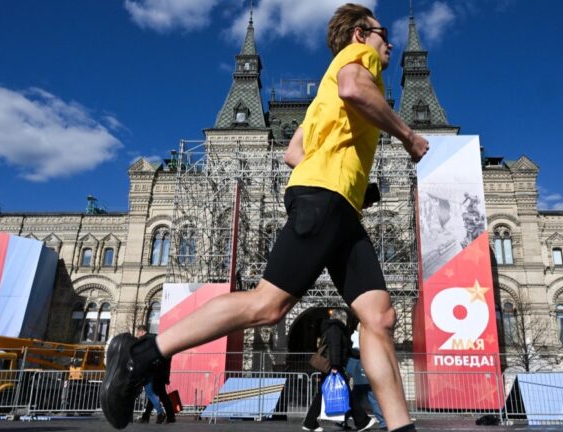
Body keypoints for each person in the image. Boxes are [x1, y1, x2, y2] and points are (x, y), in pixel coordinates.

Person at [100, 4, 428, 431]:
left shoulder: (317, 104)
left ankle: (403, 427)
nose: (389, 43)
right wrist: (407, 135)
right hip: (325, 200)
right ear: (360, 34)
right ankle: (140, 355)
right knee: (268, 305)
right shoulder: (357, 58)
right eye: (384, 34)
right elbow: (352, 88)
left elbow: (294, 153)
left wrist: (352, 186)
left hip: (339, 207)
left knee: (380, 316)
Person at [303, 310, 375, 431]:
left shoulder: (331, 328)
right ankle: (362, 421)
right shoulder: (336, 329)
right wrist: (335, 366)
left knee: (324, 394)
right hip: (334, 367)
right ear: (342, 318)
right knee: (345, 392)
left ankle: (309, 422)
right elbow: (335, 347)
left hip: (331, 366)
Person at [346, 323, 386, 430]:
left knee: (352, 399)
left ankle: (342, 421)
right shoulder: (367, 338)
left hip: (359, 370)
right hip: (365, 370)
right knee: (370, 397)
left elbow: (354, 353)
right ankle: (382, 422)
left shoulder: (354, 337)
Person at [133, 325, 175, 424]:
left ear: (142, 332)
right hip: (160, 372)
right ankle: (147, 416)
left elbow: (145, 358)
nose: (138, 336)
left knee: (157, 394)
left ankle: (166, 416)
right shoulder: (157, 340)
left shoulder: (146, 340)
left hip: (155, 373)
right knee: (154, 394)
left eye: (138, 334)